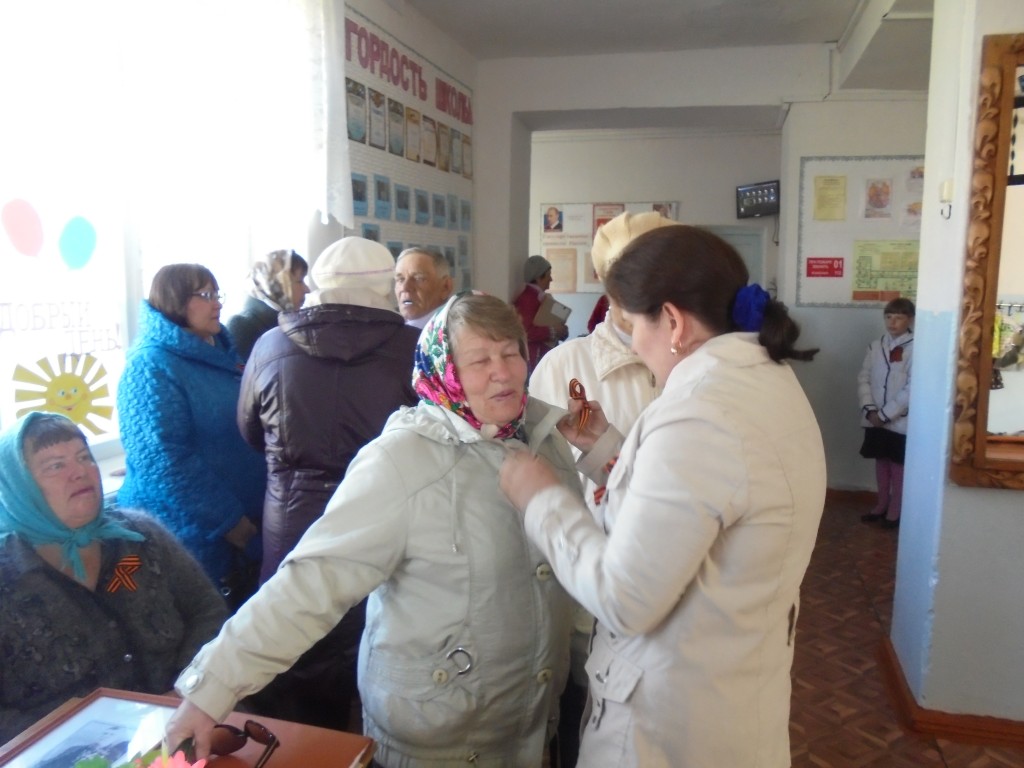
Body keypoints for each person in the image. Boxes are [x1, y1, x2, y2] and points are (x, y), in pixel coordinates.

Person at [165, 293, 583, 768]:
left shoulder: (545, 438)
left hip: (528, 724)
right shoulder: (401, 461)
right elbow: (311, 583)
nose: (503, 372)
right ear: (444, 369)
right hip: (439, 738)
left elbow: (574, 565)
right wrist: (210, 690)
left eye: (510, 353)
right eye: (480, 360)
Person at [500, 225, 827, 767]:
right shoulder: (765, 382)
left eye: (634, 325)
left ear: (673, 322)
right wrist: (606, 448)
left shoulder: (700, 412)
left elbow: (624, 597)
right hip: (734, 688)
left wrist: (542, 501)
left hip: (671, 723)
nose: (632, 343)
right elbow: (697, 506)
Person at [236, 237, 419, 730]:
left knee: (297, 650)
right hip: (385, 524)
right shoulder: (414, 349)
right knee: (386, 650)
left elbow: (249, 431)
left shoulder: (270, 346)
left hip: (292, 521)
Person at [527, 210, 673, 768]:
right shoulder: (568, 368)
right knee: (585, 722)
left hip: (681, 600)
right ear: (611, 286)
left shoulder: (697, 361)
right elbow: (555, 481)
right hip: (593, 592)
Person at [0, 412, 227, 743]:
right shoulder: (7, 579)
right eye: (55, 465)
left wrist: (187, 693)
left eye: (84, 457)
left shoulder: (139, 538)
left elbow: (208, 611)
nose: (80, 472)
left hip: (190, 723)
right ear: (18, 487)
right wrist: (86, 737)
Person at [117, 263, 266, 603]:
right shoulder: (150, 364)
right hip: (191, 534)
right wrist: (229, 521)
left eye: (217, 294)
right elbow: (160, 459)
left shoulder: (220, 354)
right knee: (198, 626)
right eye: (206, 295)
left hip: (240, 531)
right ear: (175, 300)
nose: (218, 303)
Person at [858, 297, 914, 529]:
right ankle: (881, 504)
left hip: (899, 420)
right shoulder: (876, 346)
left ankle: (895, 511)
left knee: (897, 466)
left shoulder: (915, 348)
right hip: (874, 418)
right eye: (889, 317)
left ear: (910, 320)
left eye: (899, 318)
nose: (892, 322)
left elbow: (911, 387)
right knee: (881, 461)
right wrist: (871, 410)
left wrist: (886, 414)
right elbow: (864, 377)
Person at [226, 249, 310, 363]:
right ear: (278, 284)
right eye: (300, 281)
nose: (307, 289)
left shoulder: (290, 323)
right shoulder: (242, 328)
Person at [513, 254, 568, 371]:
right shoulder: (527, 299)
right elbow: (525, 332)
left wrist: (562, 331)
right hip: (535, 359)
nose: (551, 279)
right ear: (539, 277)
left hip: (542, 357)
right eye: (548, 275)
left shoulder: (540, 297)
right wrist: (554, 330)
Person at [394, 246, 453, 329]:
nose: (405, 287)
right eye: (400, 279)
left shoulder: (456, 331)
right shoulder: (390, 328)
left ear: (445, 287)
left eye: (419, 279)